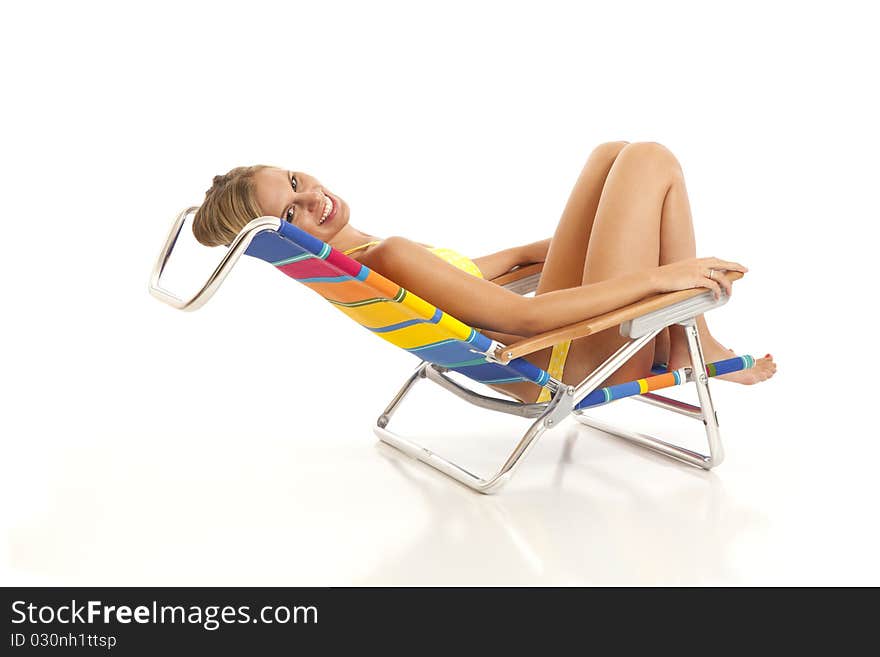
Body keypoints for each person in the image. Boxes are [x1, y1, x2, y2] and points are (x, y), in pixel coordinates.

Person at [192, 141, 775, 403]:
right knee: (650, 160)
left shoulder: (370, 254)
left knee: (611, 156)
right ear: (285, 237)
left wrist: (628, 227)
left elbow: (521, 262)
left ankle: (687, 339)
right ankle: (689, 339)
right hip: (566, 358)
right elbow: (525, 314)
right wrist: (661, 277)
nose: (312, 199)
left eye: (296, 181)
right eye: (291, 212)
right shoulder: (386, 257)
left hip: (547, 344)